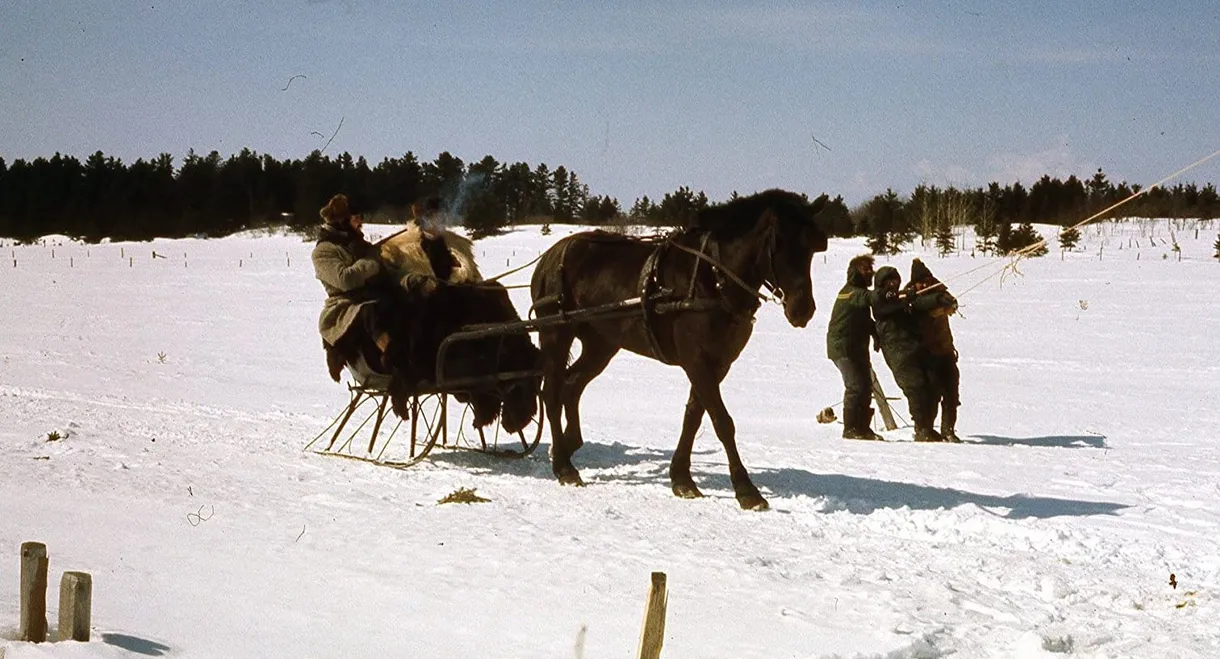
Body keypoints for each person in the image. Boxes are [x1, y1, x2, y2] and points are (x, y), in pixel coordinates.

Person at [311, 193, 398, 381]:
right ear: (342, 220)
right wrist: (372, 261)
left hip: (370, 296)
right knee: (372, 310)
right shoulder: (323, 251)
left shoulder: (357, 244)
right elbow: (346, 280)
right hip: (344, 306)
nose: (361, 223)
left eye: (361, 217)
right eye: (356, 218)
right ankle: (392, 355)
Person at [870, 265, 945, 442]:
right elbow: (885, 308)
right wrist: (904, 300)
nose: (894, 284)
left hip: (914, 349)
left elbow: (918, 304)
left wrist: (938, 299)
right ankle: (921, 428)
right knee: (915, 387)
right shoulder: (879, 299)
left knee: (932, 384)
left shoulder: (900, 297)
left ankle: (927, 426)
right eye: (889, 281)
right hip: (898, 353)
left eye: (896, 280)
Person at [826, 254, 884, 440]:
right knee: (855, 386)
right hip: (842, 348)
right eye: (865, 269)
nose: (870, 273)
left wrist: (875, 335)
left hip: (857, 349)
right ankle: (850, 429)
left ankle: (862, 428)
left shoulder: (857, 293)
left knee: (866, 386)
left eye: (870, 269)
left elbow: (864, 319)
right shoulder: (850, 292)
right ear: (855, 272)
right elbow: (869, 298)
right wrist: (887, 293)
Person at [906, 259, 962, 442]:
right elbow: (920, 305)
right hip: (926, 353)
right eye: (920, 282)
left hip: (945, 350)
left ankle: (948, 430)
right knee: (932, 394)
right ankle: (925, 430)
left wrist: (949, 303)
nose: (924, 284)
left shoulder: (939, 290)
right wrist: (938, 302)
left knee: (952, 394)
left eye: (927, 280)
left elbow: (951, 304)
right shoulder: (910, 296)